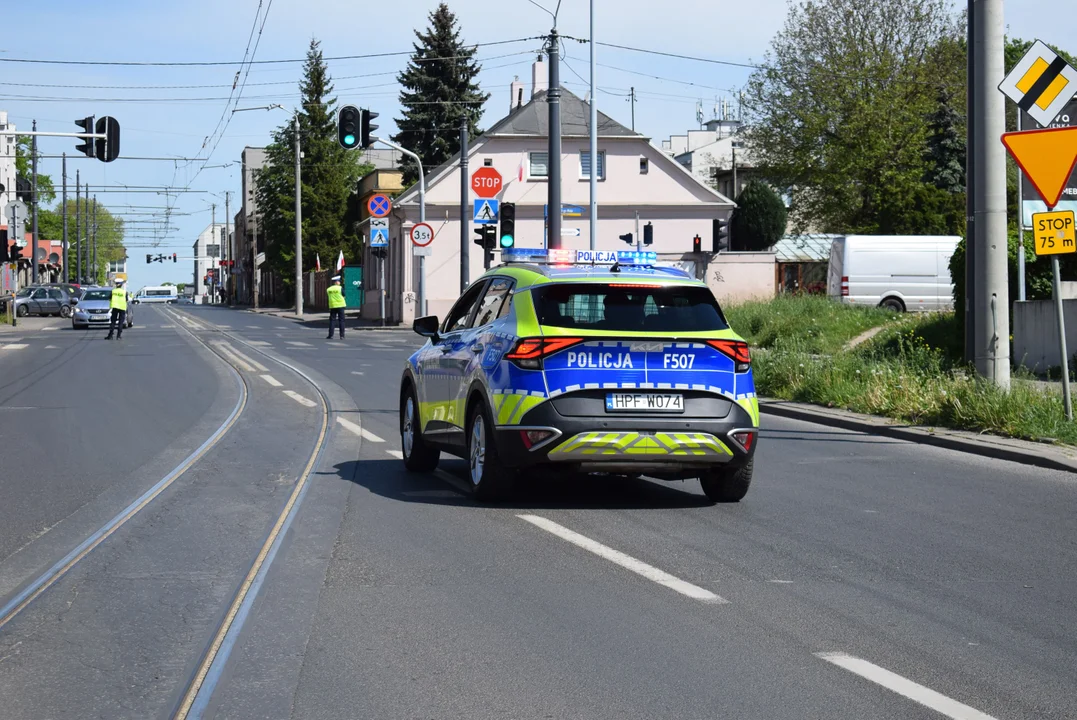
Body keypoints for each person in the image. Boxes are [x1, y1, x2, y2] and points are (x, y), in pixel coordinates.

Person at [326, 275, 346, 339]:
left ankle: (330, 335)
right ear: (336, 282)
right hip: (341, 306)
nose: (340, 282)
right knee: (341, 321)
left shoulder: (329, 289)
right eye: (339, 281)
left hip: (332, 306)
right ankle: (342, 335)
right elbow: (344, 295)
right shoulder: (340, 288)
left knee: (332, 321)